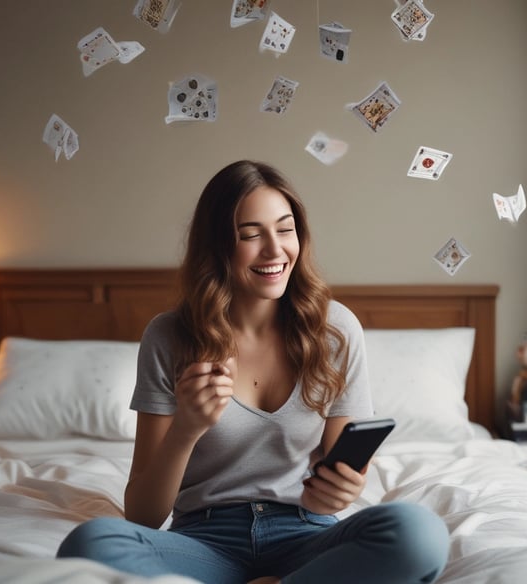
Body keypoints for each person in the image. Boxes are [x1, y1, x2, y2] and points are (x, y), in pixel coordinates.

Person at [57, 160, 449, 583]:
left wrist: (344, 490)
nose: (275, 250)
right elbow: (143, 515)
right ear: (218, 246)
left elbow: (336, 484)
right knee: (91, 542)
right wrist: (187, 428)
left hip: (306, 535)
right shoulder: (170, 335)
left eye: (285, 229)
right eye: (250, 235)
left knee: (418, 533)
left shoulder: (334, 330)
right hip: (203, 541)